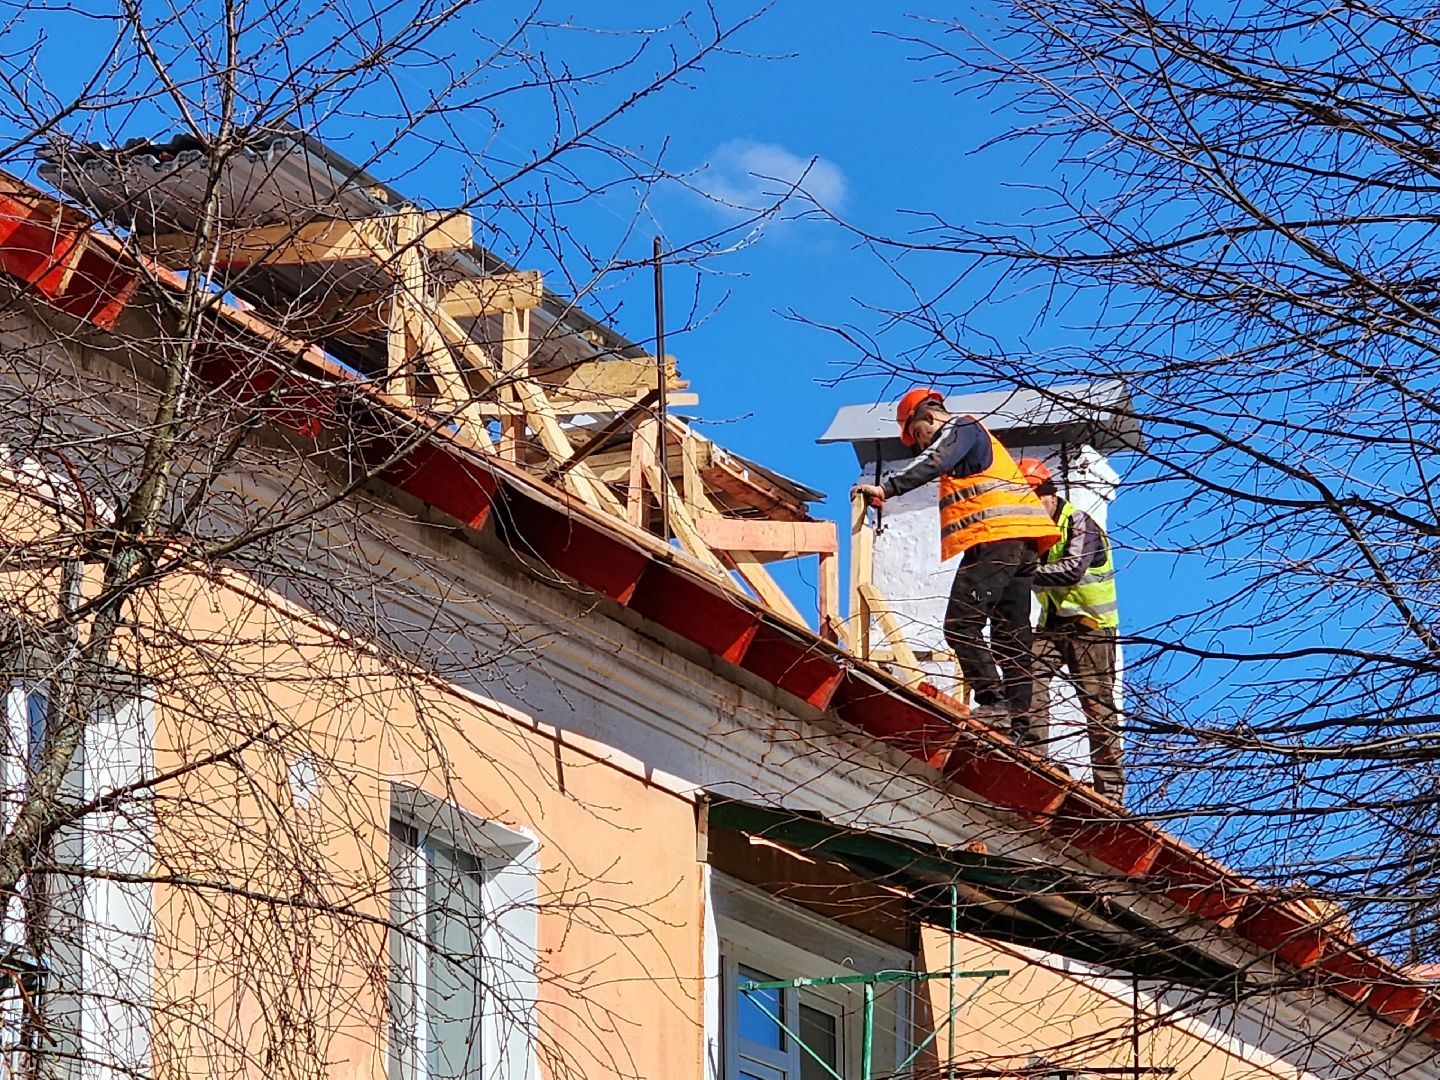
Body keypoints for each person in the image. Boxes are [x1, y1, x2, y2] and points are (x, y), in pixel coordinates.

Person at [851, 389, 1060, 738]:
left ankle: (993, 702)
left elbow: (934, 459)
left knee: (960, 624)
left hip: (996, 539)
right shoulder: (978, 440)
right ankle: (1021, 725)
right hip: (1021, 543)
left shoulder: (962, 428)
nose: (920, 443)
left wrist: (887, 489)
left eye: (918, 433)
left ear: (930, 417)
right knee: (1012, 636)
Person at [1016, 457, 1125, 801]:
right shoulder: (1032, 532)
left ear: (1047, 494)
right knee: (1027, 673)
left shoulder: (1079, 523)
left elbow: (1071, 570)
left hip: (1091, 629)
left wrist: (1021, 574)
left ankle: (1111, 791)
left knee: (1098, 707)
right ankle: (1034, 755)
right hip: (1053, 626)